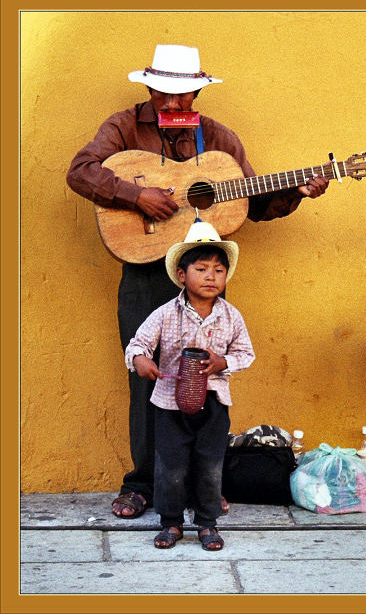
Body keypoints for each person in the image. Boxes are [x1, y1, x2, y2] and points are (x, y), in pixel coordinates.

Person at [66, 44, 329, 519]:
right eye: (164, 94)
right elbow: (81, 172)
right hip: (145, 271)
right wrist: (136, 194)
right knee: (147, 376)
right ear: (148, 87)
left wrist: (297, 192)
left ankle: (198, 487)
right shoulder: (123, 126)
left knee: (204, 381)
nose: (173, 105)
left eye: (183, 95)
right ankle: (143, 484)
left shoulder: (218, 138)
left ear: (197, 91)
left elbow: (252, 203)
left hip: (204, 282)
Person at [125, 218, 253, 550]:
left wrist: (222, 362)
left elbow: (246, 353)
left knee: (210, 463)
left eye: (219, 270)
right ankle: (171, 522)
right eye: (201, 268)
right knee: (170, 464)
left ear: (227, 276)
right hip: (169, 403)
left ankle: (207, 523)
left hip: (213, 404)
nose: (211, 276)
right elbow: (138, 343)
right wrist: (142, 360)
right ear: (182, 275)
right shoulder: (165, 314)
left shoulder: (231, 316)